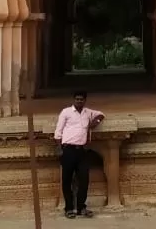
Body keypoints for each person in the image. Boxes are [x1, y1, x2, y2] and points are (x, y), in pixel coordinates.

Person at [52, 89, 104, 218]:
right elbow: (58, 131)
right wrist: (59, 147)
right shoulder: (66, 112)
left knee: (84, 180)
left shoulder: (88, 112)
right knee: (67, 180)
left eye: (81, 99)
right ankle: (69, 208)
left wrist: (94, 123)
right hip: (68, 149)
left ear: (84, 100)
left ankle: (81, 207)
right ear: (74, 100)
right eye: (77, 99)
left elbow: (101, 115)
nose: (79, 101)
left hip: (82, 150)